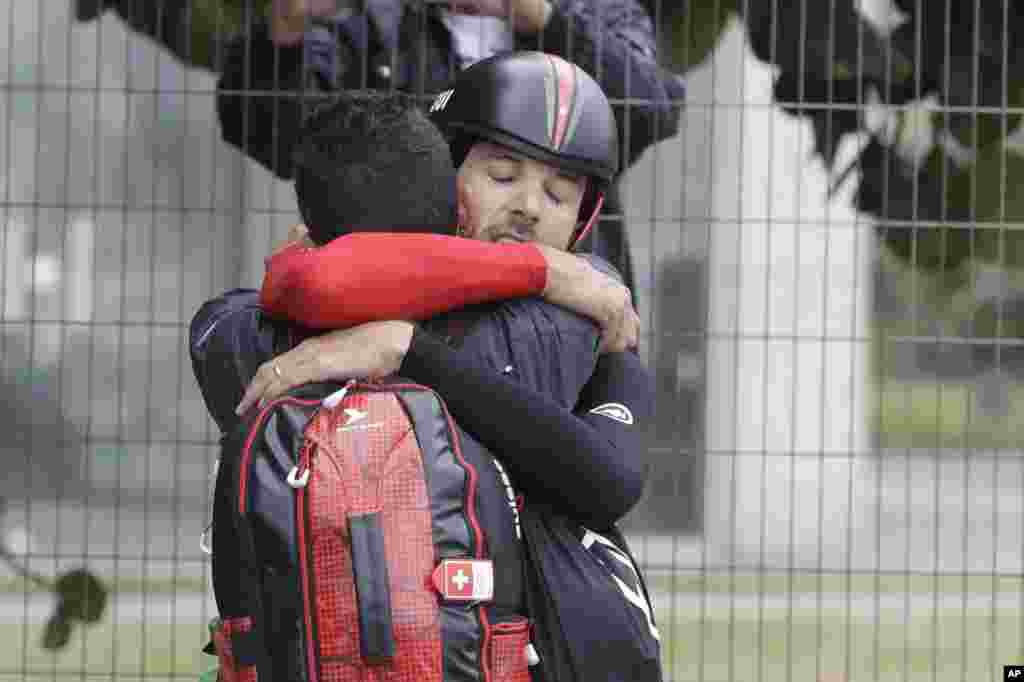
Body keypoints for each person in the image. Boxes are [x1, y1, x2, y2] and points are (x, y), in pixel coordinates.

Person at [224, 52, 661, 681]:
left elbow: (610, 478)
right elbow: (284, 298)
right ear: (442, 172)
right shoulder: (319, 290)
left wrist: (406, 348)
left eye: (559, 194)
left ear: (585, 218)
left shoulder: (590, 309)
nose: (530, 207)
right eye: (503, 175)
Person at [217, 0, 686, 294]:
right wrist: (285, 33)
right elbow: (280, 141)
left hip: (567, 286)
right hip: (410, 292)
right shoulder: (376, 21)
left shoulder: (593, 10)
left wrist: (543, 17)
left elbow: (652, 109)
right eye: (503, 174)